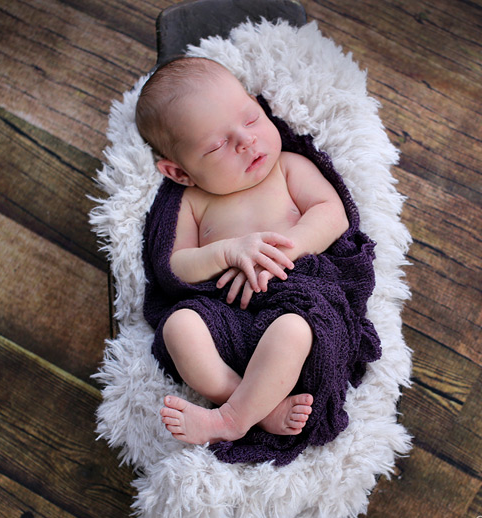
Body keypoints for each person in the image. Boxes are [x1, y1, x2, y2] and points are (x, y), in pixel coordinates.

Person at [135, 57, 350, 446]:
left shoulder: (288, 167)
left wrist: (289, 251)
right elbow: (175, 266)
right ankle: (256, 406)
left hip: (293, 297)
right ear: (179, 173)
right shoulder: (193, 201)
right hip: (226, 315)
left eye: (251, 119)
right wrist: (227, 252)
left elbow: (333, 214)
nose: (246, 140)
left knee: (294, 329)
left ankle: (231, 419)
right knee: (179, 327)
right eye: (218, 146)